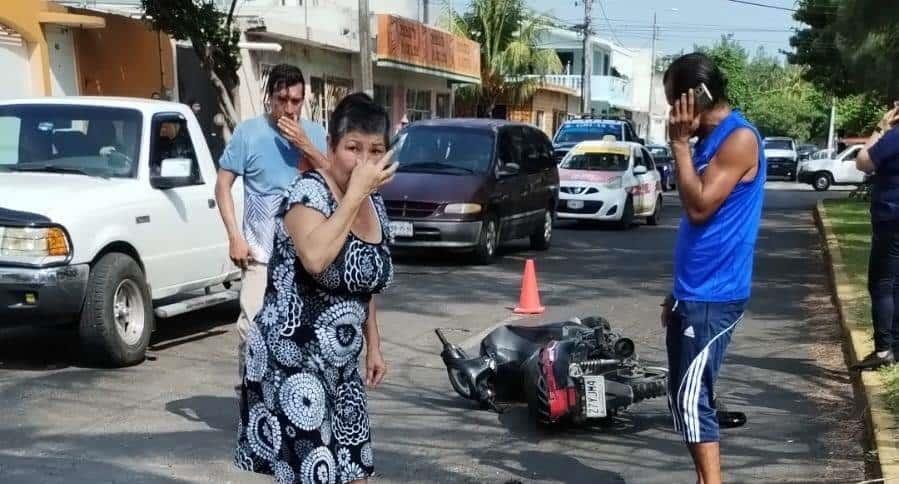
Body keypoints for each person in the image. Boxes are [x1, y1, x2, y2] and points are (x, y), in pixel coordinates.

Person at [234, 92, 398, 483]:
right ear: (330, 146)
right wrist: (355, 194)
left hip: (342, 369)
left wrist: (373, 343)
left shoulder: (374, 204)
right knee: (316, 475)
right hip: (293, 362)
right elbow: (316, 257)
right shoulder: (307, 193)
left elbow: (363, 281)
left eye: (375, 150)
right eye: (352, 148)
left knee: (357, 473)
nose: (364, 161)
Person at [659, 52, 765, 484]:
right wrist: (677, 291)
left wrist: (679, 145)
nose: (671, 113)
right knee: (682, 397)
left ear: (695, 98)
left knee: (691, 400)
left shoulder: (738, 139)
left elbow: (700, 206)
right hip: (694, 292)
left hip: (715, 295)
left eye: (674, 102)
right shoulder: (709, 140)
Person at [215, 63, 330, 382]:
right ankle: (249, 396)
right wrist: (234, 237)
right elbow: (222, 185)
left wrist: (306, 145)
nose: (289, 109)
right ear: (269, 98)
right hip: (260, 254)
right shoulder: (248, 134)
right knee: (251, 327)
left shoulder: (317, 134)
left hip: (306, 257)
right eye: (282, 99)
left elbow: (335, 183)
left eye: (296, 101)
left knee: (304, 332)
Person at [853, 102, 899, 370]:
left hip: (891, 218)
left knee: (881, 284)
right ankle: (894, 344)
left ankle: (883, 350)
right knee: (896, 284)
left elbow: (863, 162)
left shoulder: (893, 138)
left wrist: (881, 127)